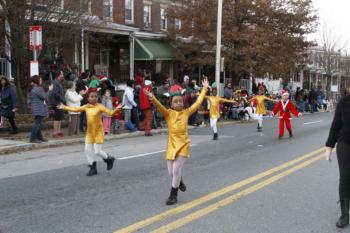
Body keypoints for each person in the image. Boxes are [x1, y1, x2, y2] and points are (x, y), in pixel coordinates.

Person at [144, 78, 209, 205]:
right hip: (171, 145)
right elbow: (159, 105)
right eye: (176, 102)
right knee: (171, 173)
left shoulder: (186, 112)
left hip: (183, 145)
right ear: (171, 104)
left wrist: (205, 89)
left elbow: (197, 103)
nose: (179, 103)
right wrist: (152, 97)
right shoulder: (168, 114)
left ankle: (173, 195)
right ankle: (179, 181)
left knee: (175, 171)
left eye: (180, 101)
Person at [58, 89, 121, 176]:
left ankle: (109, 159)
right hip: (90, 133)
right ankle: (93, 168)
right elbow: (76, 109)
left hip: (98, 132)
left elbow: (110, 113)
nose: (94, 98)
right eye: (92, 97)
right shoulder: (86, 106)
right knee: (87, 150)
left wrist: (117, 109)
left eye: (96, 96)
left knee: (97, 152)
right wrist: (64, 107)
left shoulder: (100, 106)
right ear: (88, 98)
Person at [325, 93, 350, 228]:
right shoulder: (344, 101)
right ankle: (344, 214)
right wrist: (329, 145)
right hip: (345, 143)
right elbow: (336, 124)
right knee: (345, 178)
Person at [29, 75, 49, 143]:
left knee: (39, 124)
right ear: (37, 80)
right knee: (37, 124)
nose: (41, 81)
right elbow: (45, 97)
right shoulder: (38, 89)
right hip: (39, 108)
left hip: (36, 108)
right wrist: (50, 90)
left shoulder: (35, 88)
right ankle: (33, 138)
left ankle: (39, 137)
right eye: (40, 79)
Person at [50, 70, 65, 137]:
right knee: (56, 117)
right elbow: (56, 93)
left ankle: (59, 131)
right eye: (62, 74)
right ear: (59, 75)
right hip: (56, 102)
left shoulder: (58, 82)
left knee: (60, 117)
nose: (63, 75)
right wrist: (62, 99)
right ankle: (55, 132)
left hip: (59, 102)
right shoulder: (55, 82)